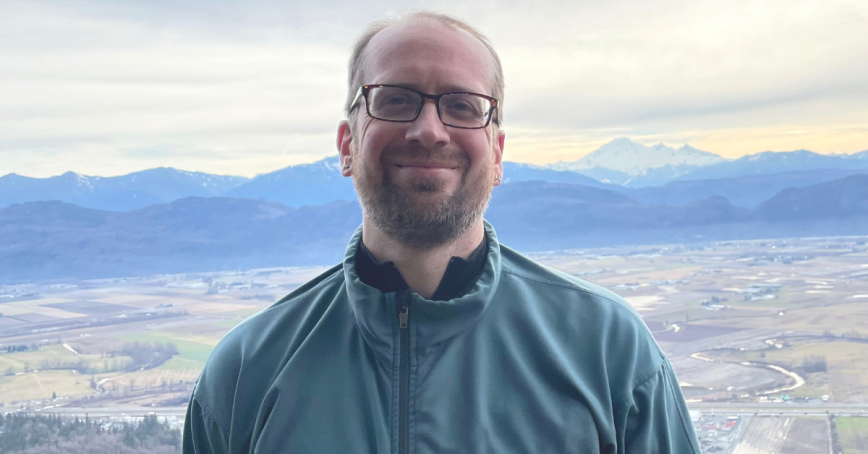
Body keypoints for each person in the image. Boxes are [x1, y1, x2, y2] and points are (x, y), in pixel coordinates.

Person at [183, 11, 701, 453]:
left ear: (497, 154)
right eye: (394, 99)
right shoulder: (247, 370)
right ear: (347, 145)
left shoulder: (607, 351)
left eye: (462, 106)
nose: (429, 130)